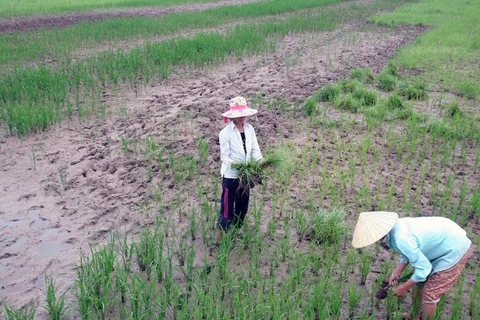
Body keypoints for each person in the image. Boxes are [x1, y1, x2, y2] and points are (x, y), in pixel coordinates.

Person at [351, 211, 473, 320]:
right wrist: (398, 271)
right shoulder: (396, 227)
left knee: (430, 293)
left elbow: (424, 269)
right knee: (419, 282)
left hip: (454, 248)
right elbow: (407, 252)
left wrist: (404, 287)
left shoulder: (401, 237)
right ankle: (414, 315)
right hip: (442, 242)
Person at [216, 96, 263, 243]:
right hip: (231, 176)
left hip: (245, 176)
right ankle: (219, 239)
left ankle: (235, 232)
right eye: (238, 115)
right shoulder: (225, 133)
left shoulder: (250, 129)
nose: (242, 117)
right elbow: (224, 156)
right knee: (227, 209)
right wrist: (237, 165)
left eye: (243, 114)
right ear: (232, 116)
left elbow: (255, 150)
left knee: (243, 207)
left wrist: (261, 163)